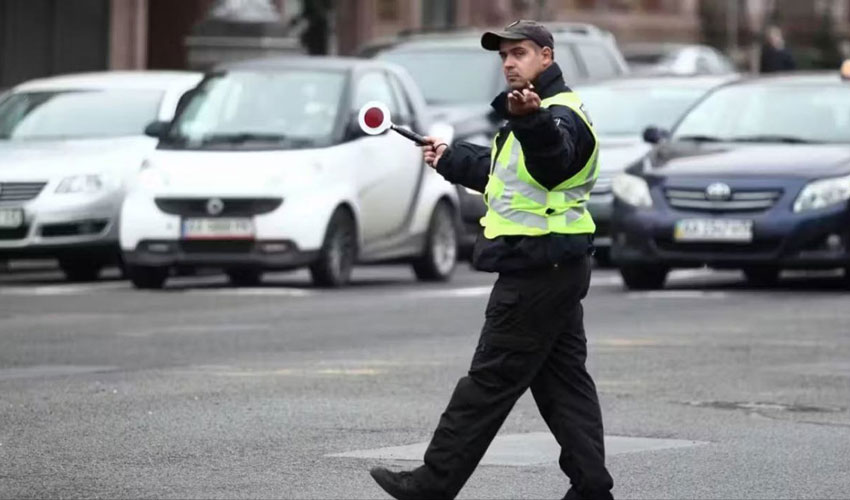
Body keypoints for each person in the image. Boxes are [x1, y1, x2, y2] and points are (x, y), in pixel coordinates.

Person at [369, 20, 614, 500]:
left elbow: (553, 158)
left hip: (537, 270)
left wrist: (532, 120)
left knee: (487, 383)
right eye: (503, 55)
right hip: (555, 267)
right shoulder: (536, 112)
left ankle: (432, 484)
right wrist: (451, 158)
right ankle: (591, 487)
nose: (508, 63)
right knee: (564, 387)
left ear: (546, 56)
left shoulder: (556, 115)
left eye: (519, 53)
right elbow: (506, 175)